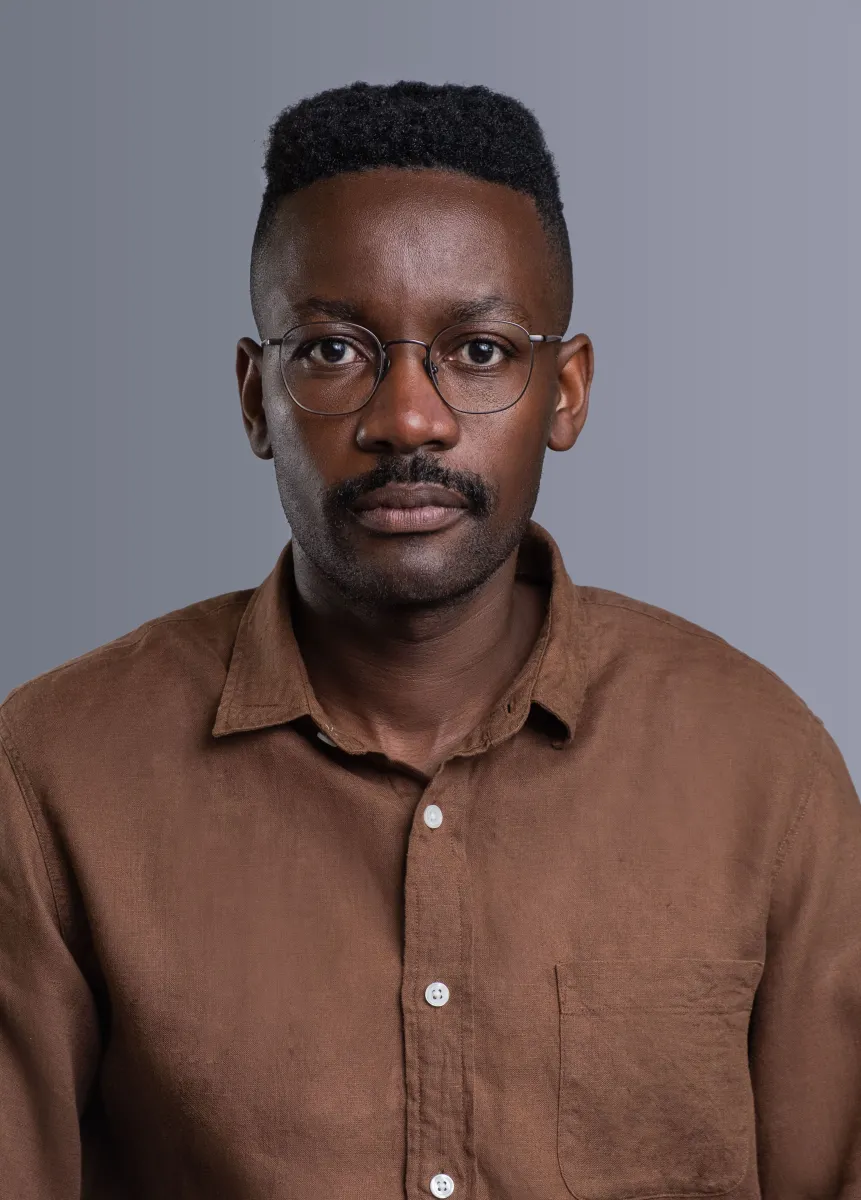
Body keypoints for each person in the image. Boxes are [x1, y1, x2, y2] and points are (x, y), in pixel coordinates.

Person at [0, 80, 858, 1200]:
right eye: (334, 350)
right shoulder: (52, 775)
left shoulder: (763, 768)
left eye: (482, 351)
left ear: (568, 389)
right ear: (256, 399)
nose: (410, 418)